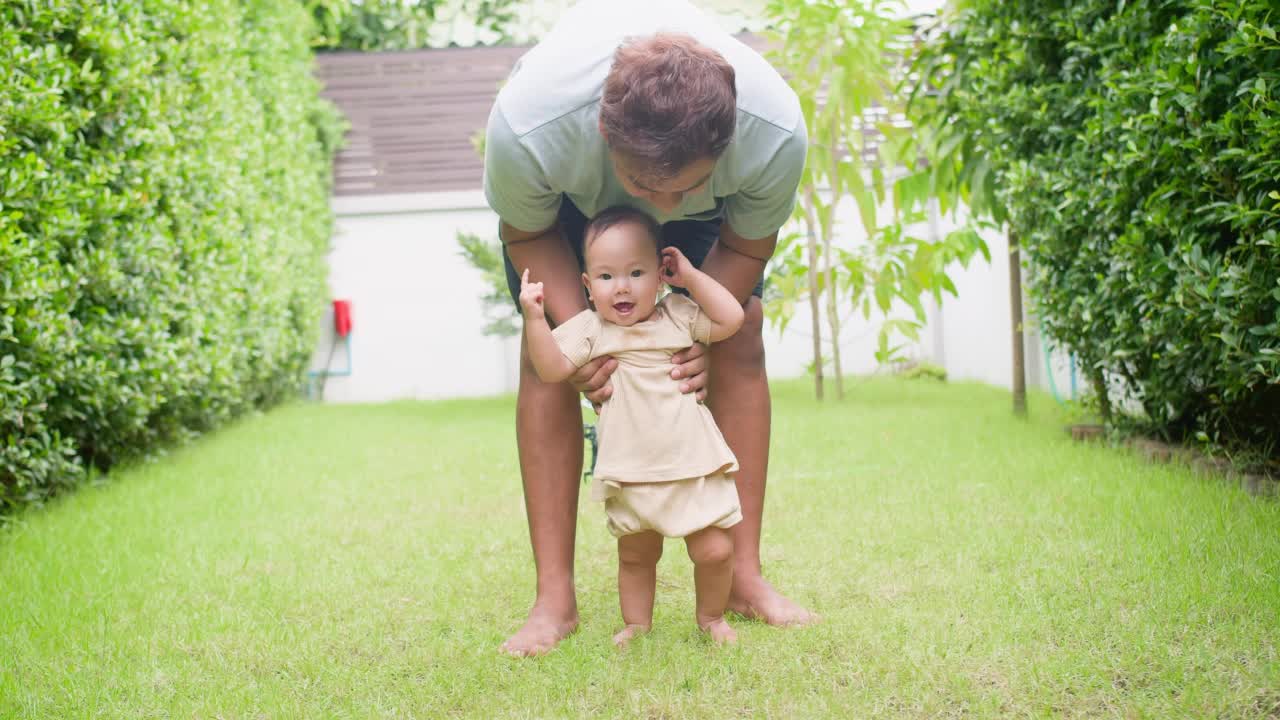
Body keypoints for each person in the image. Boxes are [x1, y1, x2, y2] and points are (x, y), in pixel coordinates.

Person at [484, 0, 815, 657]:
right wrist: (588, 340)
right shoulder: (530, 126)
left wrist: (696, 339)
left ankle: (741, 576)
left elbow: (747, 249)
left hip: (706, 233)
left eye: (680, 189)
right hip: (566, 213)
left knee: (741, 331)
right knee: (544, 357)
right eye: (646, 187)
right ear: (606, 136)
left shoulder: (772, 132)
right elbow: (526, 231)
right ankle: (554, 598)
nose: (660, 208)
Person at [520, 207, 745, 646]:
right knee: (637, 555)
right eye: (605, 277)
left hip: (693, 466)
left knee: (715, 550)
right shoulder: (592, 330)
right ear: (587, 285)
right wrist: (533, 319)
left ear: (660, 276)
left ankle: (712, 618)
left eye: (636, 272)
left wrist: (692, 276)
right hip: (632, 471)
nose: (621, 286)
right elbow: (550, 370)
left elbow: (731, 319)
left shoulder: (678, 314)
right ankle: (637, 625)